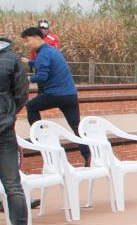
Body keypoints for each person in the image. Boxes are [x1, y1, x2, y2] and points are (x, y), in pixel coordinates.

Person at [21, 27, 89, 164]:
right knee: (76, 126)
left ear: (37, 38)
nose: (26, 44)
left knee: (31, 107)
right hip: (70, 95)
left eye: (27, 41)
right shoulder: (52, 50)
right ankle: (88, 155)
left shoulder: (42, 54)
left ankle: (39, 137)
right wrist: (29, 62)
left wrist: (26, 79)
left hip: (55, 94)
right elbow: (44, 63)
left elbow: (42, 77)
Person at [1, 36, 30, 225]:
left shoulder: (12, 60)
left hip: (3, 133)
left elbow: (21, 95)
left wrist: (7, 117)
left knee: (12, 185)